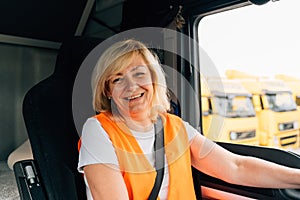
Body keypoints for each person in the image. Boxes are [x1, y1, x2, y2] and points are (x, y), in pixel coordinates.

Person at [77, 39, 300, 200]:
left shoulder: (174, 127)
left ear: (154, 79)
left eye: (139, 74)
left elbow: (235, 166)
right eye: (117, 79)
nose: (131, 86)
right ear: (107, 91)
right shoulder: (98, 130)